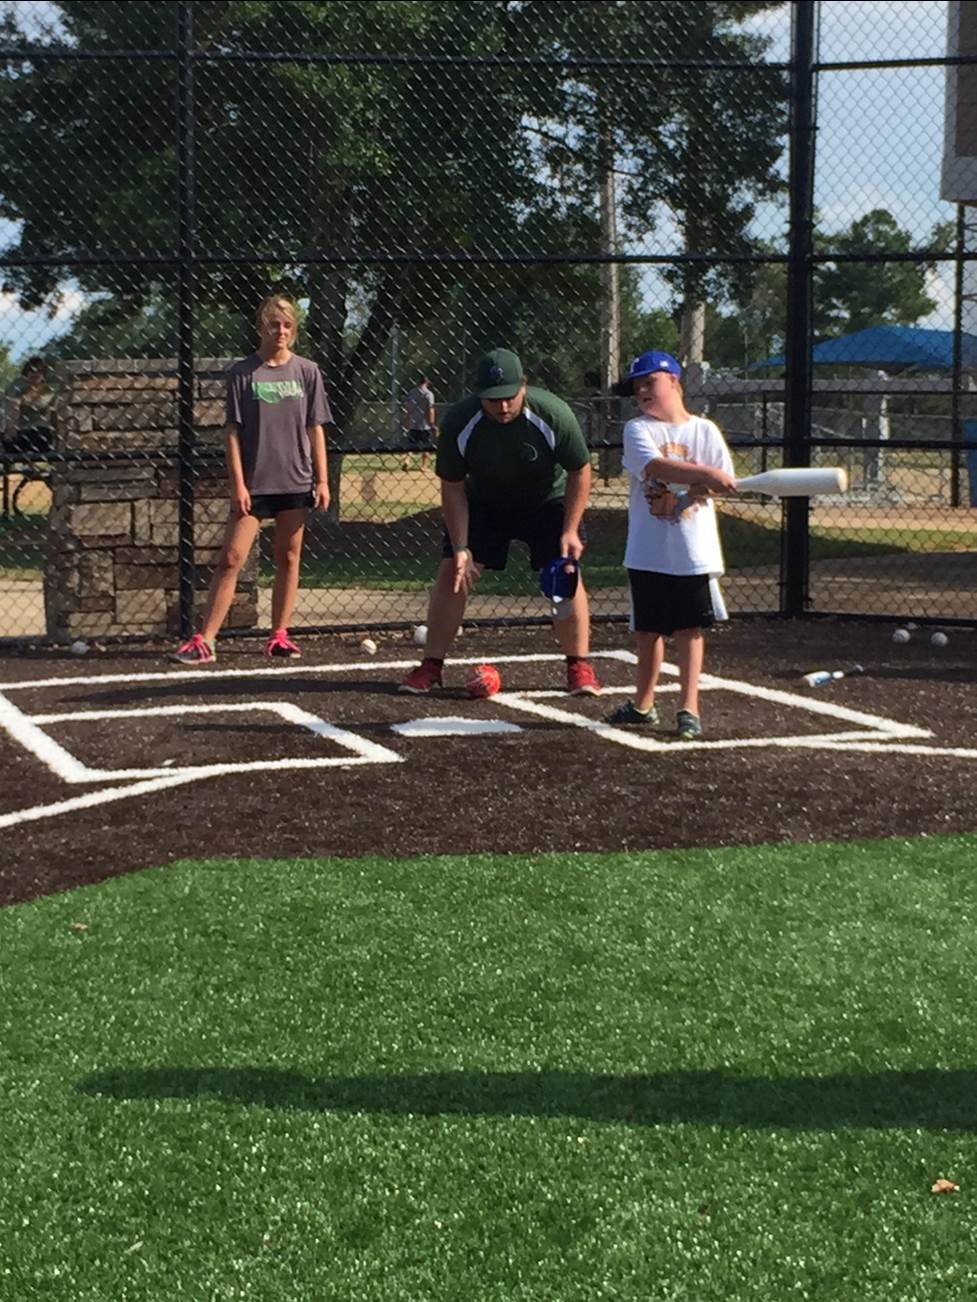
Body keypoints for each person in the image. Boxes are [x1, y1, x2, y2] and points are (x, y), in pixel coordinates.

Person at [398, 347, 601, 696]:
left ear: (524, 386)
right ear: (479, 395)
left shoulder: (553, 414)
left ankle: (578, 666)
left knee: (565, 573)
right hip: (485, 501)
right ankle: (431, 666)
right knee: (452, 572)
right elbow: (452, 486)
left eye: (509, 396)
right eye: (493, 400)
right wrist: (461, 546)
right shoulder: (460, 421)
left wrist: (570, 529)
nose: (503, 406)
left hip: (545, 500)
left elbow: (580, 470)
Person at [170, 295, 331, 665]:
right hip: (255, 483)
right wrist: (238, 485)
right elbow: (232, 433)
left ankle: (279, 635)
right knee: (231, 557)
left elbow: (315, 428)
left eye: (288, 325)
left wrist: (322, 480)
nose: (281, 331)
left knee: (288, 556)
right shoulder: (243, 373)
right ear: (261, 327)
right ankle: (206, 640)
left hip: (295, 480)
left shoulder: (308, 371)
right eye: (274, 324)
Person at [604, 350, 737, 740]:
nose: (642, 391)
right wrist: (706, 474)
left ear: (675, 382)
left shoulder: (705, 431)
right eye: (637, 386)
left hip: (693, 551)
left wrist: (706, 485)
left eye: (651, 382)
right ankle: (643, 705)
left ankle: (688, 708)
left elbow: (720, 483)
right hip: (648, 549)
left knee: (689, 629)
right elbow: (655, 467)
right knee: (648, 631)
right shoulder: (638, 429)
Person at [4, 356, 55, 457]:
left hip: (40, 430)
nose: (35, 374)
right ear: (27, 372)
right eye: (32, 371)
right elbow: (13, 405)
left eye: (39, 371)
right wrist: (11, 428)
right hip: (20, 430)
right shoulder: (19, 384)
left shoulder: (47, 390)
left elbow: (53, 413)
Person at [401, 375, 436, 470]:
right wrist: (432, 423)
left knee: (411, 444)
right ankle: (424, 466)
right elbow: (430, 409)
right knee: (426, 445)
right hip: (425, 424)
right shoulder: (429, 394)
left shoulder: (412, 392)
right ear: (427, 383)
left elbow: (408, 407)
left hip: (413, 423)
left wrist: (407, 419)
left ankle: (407, 460)